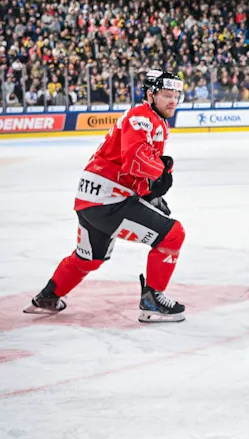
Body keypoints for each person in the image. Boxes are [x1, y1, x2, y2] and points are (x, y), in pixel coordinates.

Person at [24, 70, 187, 323]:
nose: (173, 101)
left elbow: (131, 167)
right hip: (110, 200)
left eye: (177, 95)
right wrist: (160, 173)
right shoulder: (141, 117)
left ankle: (48, 297)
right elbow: (135, 161)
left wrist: (150, 192)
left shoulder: (153, 120)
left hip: (91, 201)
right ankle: (152, 302)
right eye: (167, 95)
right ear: (150, 95)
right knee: (173, 235)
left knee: (89, 258)